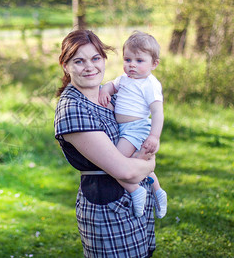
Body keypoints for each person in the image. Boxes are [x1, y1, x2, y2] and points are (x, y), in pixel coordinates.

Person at [54, 29, 157, 257]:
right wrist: (148, 166)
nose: (89, 67)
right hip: (107, 210)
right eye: (79, 61)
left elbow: (143, 133)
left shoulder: (112, 95)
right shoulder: (72, 108)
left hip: (136, 199)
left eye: (95, 58)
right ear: (65, 65)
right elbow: (124, 169)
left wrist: (142, 161)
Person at [98, 31, 167, 219]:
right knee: (140, 163)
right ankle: (157, 189)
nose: (132, 65)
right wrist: (105, 89)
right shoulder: (125, 78)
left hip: (136, 129)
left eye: (139, 60)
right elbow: (112, 85)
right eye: (127, 59)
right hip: (126, 130)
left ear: (154, 64)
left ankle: (136, 190)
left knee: (114, 164)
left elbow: (158, 113)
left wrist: (154, 136)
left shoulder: (150, 84)